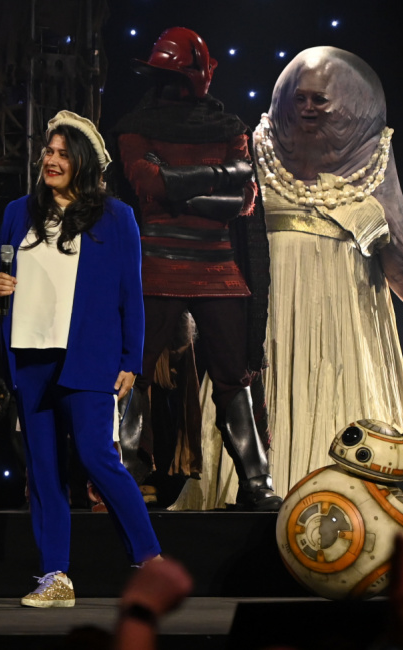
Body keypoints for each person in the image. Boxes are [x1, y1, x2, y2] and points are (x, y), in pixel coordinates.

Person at [0, 111, 161, 607]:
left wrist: (131, 356)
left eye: (63, 153)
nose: (52, 160)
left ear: (82, 162)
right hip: (30, 354)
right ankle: (55, 577)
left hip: (89, 355)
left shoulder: (116, 216)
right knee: (42, 471)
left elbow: (133, 292)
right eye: (48, 151)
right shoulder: (20, 211)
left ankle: (151, 561)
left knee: (98, 457)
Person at [111, 27, 280, 511]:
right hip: (157, 267)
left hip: (217, 270)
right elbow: (147, 182)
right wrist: (221, 175)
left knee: (235, 377)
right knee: (133, 375)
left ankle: (255, 482)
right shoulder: (136, 125)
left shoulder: (228, 127)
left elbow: (243, 201)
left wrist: (176, 183)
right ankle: (123, 476)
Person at [253, 47, 403, 495]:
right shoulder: (260, 146)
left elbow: (399, 244)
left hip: (342, 304)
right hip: (273, 302)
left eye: (319, 100)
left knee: (332, 391)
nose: (307, 108)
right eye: (299, 98)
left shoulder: (372, 154)